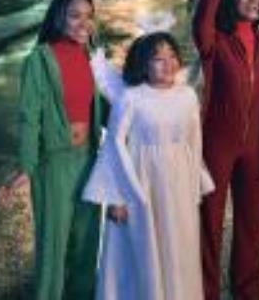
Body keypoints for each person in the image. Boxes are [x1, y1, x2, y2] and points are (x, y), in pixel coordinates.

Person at [82, 32, 214, 300]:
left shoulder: (187, 95)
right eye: (158, 59)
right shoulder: (132, 98)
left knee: (177, 246)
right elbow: (114, 145)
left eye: (172, 56)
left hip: (178, 184)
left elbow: (194, 141)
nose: (168, 63)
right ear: (143, 64)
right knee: (144, 249)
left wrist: (193, 186)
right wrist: (117, 196)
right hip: (140, 185)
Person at [0, 0, 103, 300]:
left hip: (88, 158)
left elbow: (106, 104)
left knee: (86, 240)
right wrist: (27, 167)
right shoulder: (40, 60)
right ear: (58, 18)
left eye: (88, 15)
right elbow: (29, 117)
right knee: (53, 244)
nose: (83, 23)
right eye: (74, 15)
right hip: (54, 162)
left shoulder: (93, 56)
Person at [193, 0, 259, 300]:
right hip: (216, 143)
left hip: (256, 145)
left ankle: (248, 291)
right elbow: (201, 24)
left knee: (252, 224)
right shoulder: (216, 42)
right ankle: (206, 291)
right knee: (208, 222)